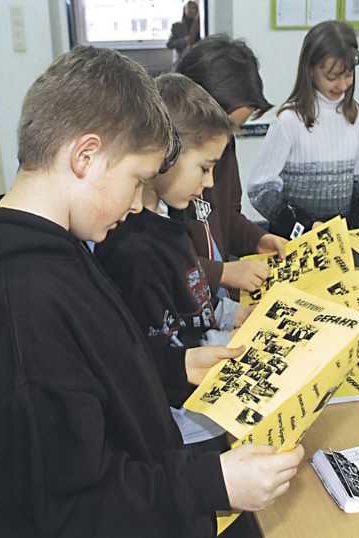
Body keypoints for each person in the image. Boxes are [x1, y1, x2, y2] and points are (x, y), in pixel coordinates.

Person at [0, 46, 303, 538]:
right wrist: (212, 482)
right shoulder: (18, 305)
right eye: (137, 180)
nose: (135, 205)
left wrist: (169, 367)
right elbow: (71, 508)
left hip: (148, 475)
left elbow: (95, 365)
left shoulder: (59, 242)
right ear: (84, 156)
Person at [95, 72, 249, 450]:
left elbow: (194, 299)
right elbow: (157, 361)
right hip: (183, 425)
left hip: (200, 389)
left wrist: (235, 317)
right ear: (169, 153)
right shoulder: (133, 250)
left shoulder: (171, 218)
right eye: (204, 167)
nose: (210, 183)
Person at [175, 34, 288, 299]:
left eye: (235, 130)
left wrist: (258, 239)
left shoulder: (222, 143)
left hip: (219, 303)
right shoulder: (162, 171)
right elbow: (160, 261)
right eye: (225, 127)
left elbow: (226, 216)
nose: (226, 141)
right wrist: (221, 272)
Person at [247, 20, 359, 239]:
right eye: (331, 77)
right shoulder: (289, 120)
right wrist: (305, 225)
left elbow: (357, 178)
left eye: (348, 74)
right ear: (309, 69)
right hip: (296, 240)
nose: (342, 85)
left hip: (341, 238)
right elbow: (260, 190)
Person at [166, 1, 200, 66]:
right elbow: (169, 44)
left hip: (198, 61)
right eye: (189, 8)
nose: (191, 10)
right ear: (184, 10)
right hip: (181, 62)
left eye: (193, 8)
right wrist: (183, 41)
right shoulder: (177, 26)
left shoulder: (202, 27)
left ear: (197, 10)